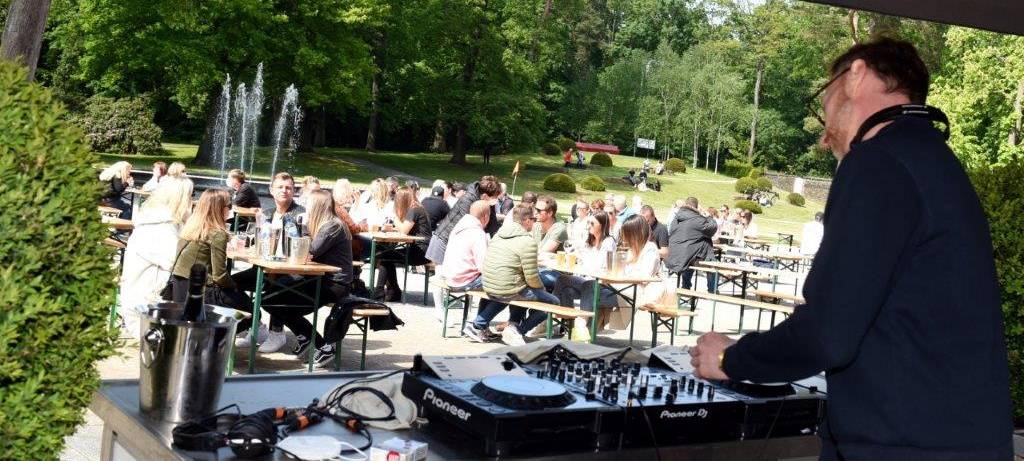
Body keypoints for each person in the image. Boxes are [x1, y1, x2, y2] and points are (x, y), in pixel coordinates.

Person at [688, 39, 1012, 461]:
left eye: (823, 100)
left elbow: (828, 332)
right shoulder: (934, 162)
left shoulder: (878, 162)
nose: (825, 136)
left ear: (856, 74)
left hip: (903, 447)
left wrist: (731, 359)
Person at [268, 189, 355, 364]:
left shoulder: (333, 226)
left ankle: (323, 346)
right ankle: (306, 338)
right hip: (318, 278)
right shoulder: (325, 224)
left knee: (277, 301)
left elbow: (310, 252)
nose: (305, 207)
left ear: (316, 207)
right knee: (271, 297)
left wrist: (303, 229)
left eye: (308, 204)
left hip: (335, 283)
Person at [232, 172, 306, 353]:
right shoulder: (266, 214)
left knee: (277, 289)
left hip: (289, 270)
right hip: (265, 267)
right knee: (232, 283)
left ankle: (277, 332)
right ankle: (256, 325)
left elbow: (304, 242)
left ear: (294, 191)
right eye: (280, 187)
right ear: (271, 190)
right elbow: (257, 241)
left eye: (288, 188)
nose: (284, 191)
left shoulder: (301, 214)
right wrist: (244, 243)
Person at [118, 179, 193, 338]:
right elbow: (179, 263)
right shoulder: (159, 227)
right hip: (147, 310)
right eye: (189, 196)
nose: (192, 201)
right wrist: (191, 224)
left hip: (154, 301)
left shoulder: (161, 222)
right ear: (178, 200)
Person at [482, 204, 561, 346]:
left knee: (526, 289)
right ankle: (518, 330)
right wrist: (541, 289)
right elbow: (531, 277)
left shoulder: (498, 235)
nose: (535, 221)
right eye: (533, 218)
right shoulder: (527, 241)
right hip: (508, 289)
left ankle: (491, 323)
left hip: (488, 284)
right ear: (526, 220)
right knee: (553, 300)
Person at [169, 188, 253, 318]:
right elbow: (219, 276)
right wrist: (235, 286)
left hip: (179, 288)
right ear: (220, 209)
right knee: (252, 311)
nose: (230, 210)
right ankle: (225, 336)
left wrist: (229, 237)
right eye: (229, 206)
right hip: (202, 290)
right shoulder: (218, 234)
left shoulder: (192, 227)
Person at [442, 201, 498, 342]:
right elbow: (483, 267)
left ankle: (482, 326)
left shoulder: (459, 227)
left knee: (492, 283)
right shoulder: (477, 233)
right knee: (505, 287)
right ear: (486, 216)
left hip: (450, 275)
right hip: (463, 280)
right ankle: (477, 326)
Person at [552, 211, 621, 320]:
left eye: (592, 224)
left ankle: (581, 324)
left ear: (602, 225)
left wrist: (581, 259)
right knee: (563, 284)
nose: (588, 226)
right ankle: (562, 320)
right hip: (586, 279)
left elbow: (599, 267)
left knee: (584, 284)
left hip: (601, 283)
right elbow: (581, 259)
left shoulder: (608, 242)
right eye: (588, 223)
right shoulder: (589, 241)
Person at [425, 176, 501, 265]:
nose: (496, 200)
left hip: (456, 242)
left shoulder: (486, 201)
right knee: (443, 275)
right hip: (444, 240)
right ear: (484, 196)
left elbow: (493, 225)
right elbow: (471, 226)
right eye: (495, 197)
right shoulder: (467, 200)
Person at [374, 186, 431, 301]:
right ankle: (393, 291)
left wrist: (394, 218)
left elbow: (404, 230)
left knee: (385, 256)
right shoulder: (417, 208)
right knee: (386, 256)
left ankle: (380, 293)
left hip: (420, 253)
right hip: (422, 250)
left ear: (402, 200)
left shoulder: (414, 209)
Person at [666, 197, 717, 291]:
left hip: (675, 256)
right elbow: (713, 228)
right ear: (696, 207)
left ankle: (685, 287)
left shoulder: (676, 218)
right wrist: (708, 216)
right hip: (687, 258)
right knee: (712, 262)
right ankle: (712, 290)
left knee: (692, 249)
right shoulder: (697, 220)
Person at [532, 195, 568, 289]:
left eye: (539, 210)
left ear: (550, 213)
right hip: (537, 268)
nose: (535, 212)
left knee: (525, 279)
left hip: (556, 272)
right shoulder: (536, 226)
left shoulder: (559, 228)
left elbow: (542, 253)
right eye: (535, 209)